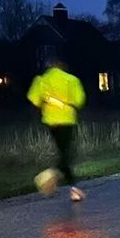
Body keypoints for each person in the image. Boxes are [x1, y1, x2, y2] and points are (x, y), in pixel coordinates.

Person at [28, 57, 87, 201]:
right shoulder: (71, 80)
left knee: (64, 153)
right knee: (67, 154)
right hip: (67, 120)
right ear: (63, 67)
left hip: (50, 121)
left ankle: (74, 189)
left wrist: (48, 101)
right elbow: (79, 100)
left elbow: (34, 99)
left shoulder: (41, 80)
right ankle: (50, 175)